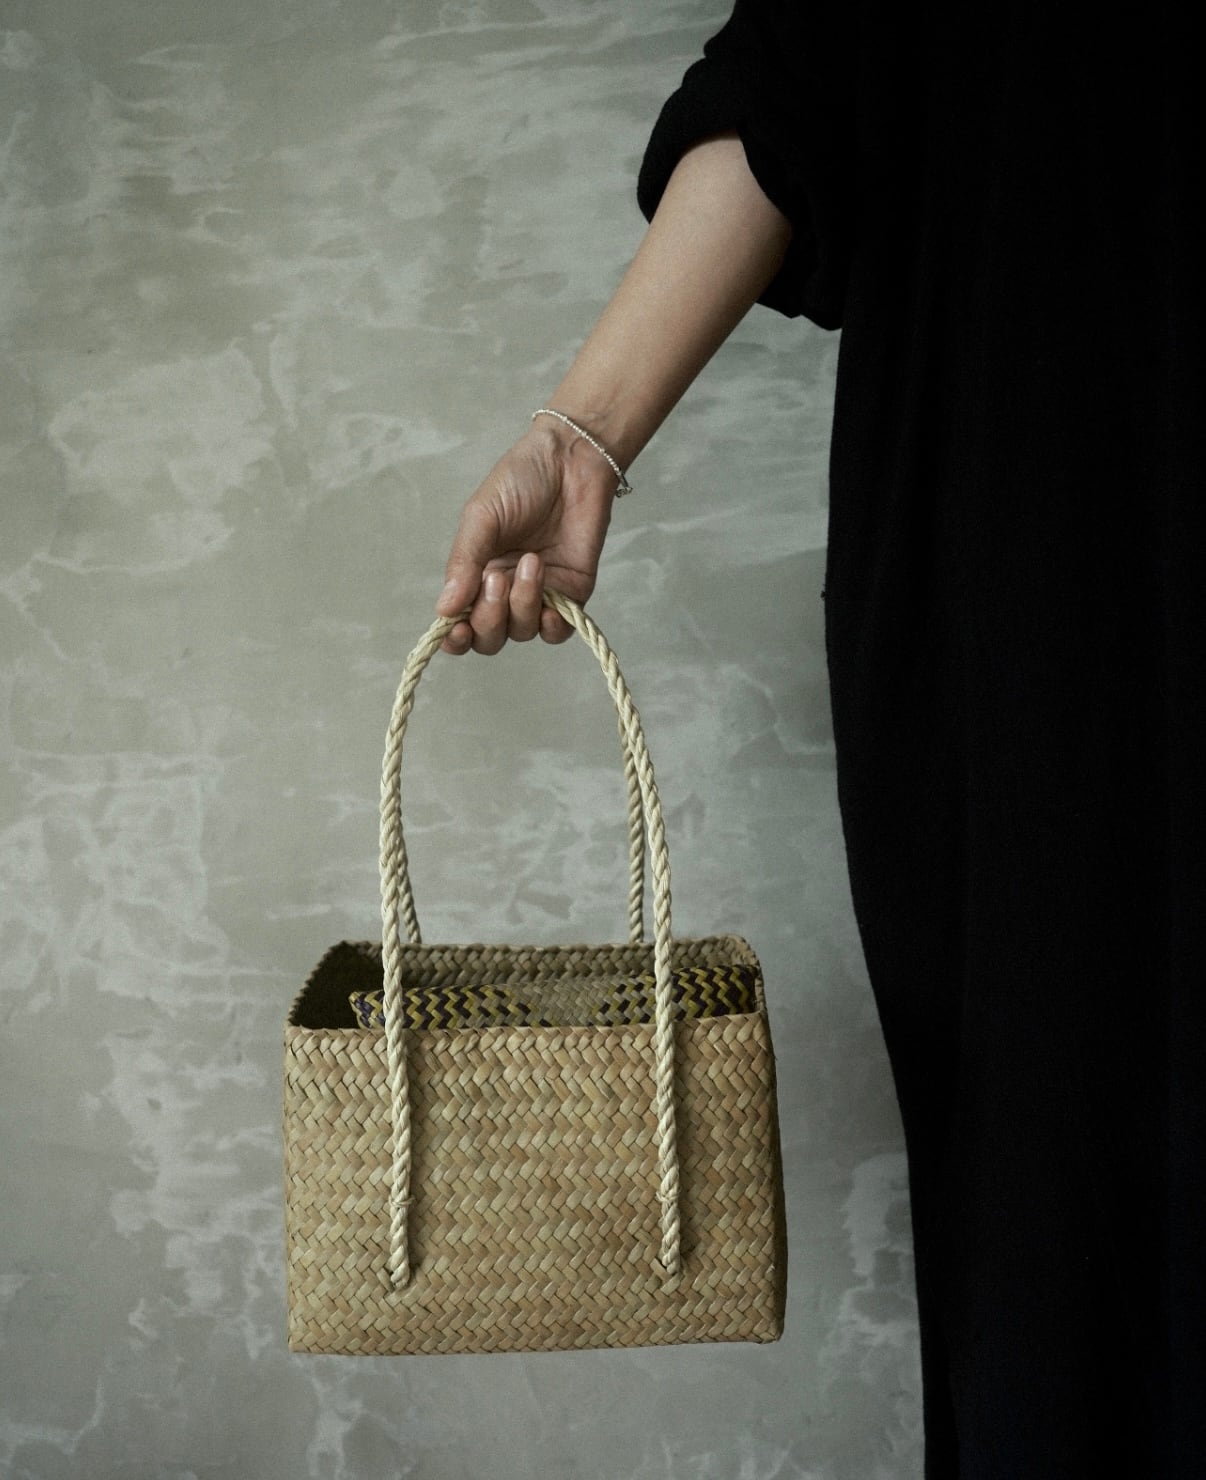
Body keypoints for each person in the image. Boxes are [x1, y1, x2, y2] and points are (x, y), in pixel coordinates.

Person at [435, 3, 1204, 1475]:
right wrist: (578, 437)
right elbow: (806, 76)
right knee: (1068, 1244)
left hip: (1039, 578)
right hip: (1049, 596)